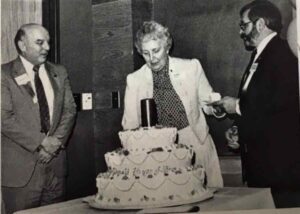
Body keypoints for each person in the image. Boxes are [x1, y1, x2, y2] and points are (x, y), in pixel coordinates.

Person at [213, 0, 300, 208]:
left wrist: (237, 107)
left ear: (260, 24)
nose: (241, 32)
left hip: (280, 168)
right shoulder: (260, 55)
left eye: (244, 25)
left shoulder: (284, 53)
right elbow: (260, 103)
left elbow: (283, 106)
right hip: (262, 165)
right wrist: (239, 130)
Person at [121, 21, 223, 188]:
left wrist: (217, 106)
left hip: (195, 141)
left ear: (167, 47)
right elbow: (130, 124)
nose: (152, 59)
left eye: (156, 50)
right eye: (146, 53)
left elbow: (208, 103)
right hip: (158, 150)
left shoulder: (191, 67)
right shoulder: (134, 80)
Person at [1, 23, 77, 214]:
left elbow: (69, 111)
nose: (47, 48)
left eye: (48, 42)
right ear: (22, 45)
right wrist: (42, 142)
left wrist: (54, 144)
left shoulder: (59, 72)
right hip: (21, 172)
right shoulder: (4, 74)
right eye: (40, 43)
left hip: (55, 168)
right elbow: (4, 119)